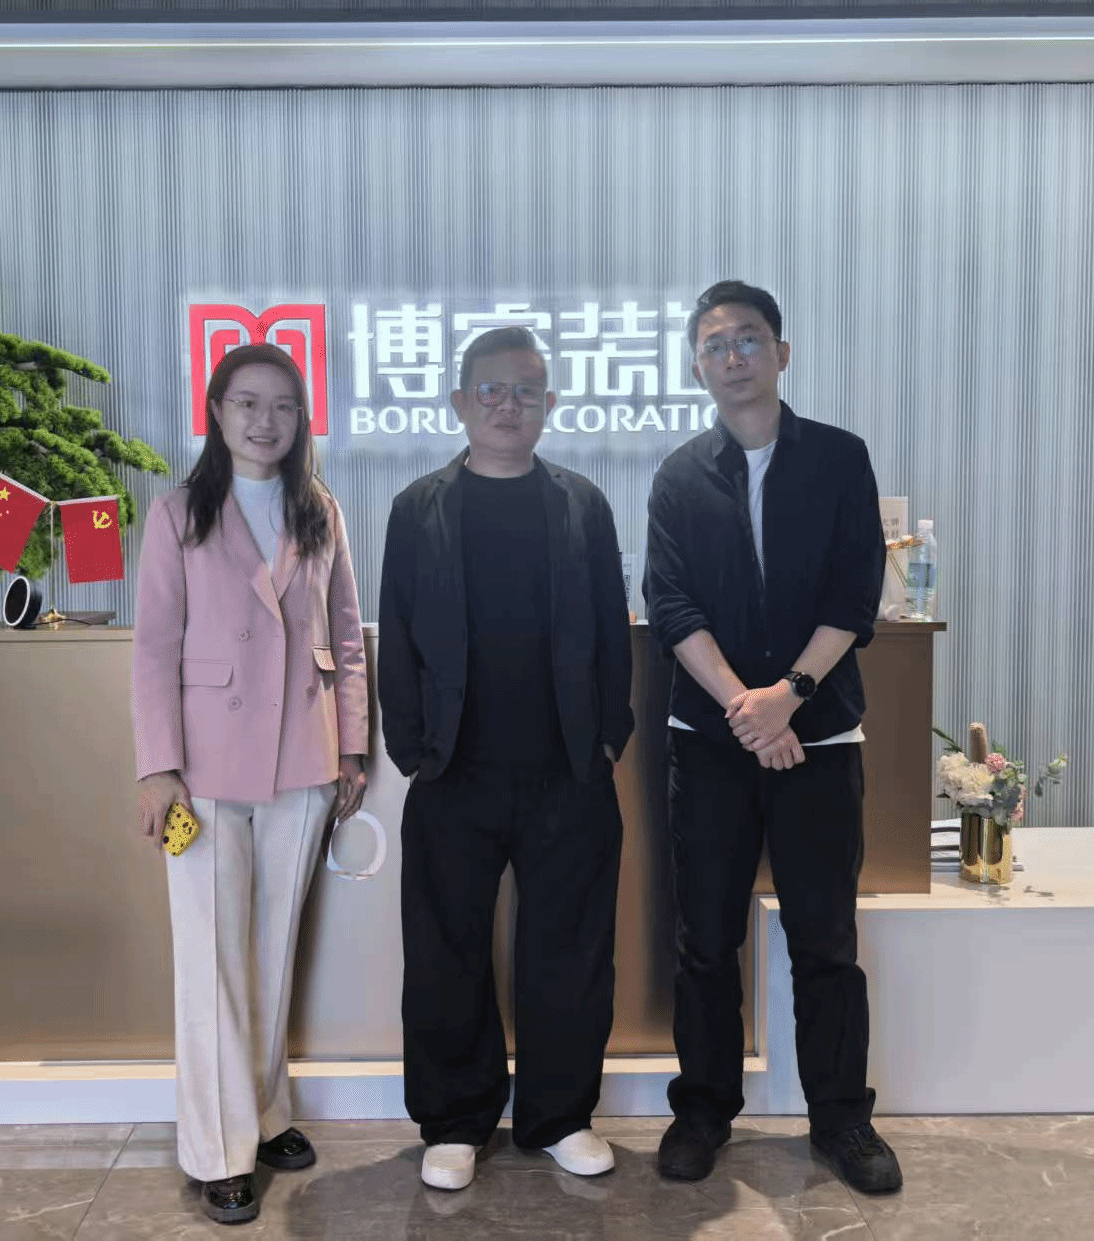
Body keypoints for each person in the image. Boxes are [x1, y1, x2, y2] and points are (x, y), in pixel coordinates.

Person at [643, 281, 902, 1194]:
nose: (734, 356)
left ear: (782, 353)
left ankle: (842, 1118)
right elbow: (670, 603)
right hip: (712, 741)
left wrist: (787, 697)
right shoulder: (679, 476)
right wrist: (747, 710)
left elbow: (854, 593)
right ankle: (703, 1111)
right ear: (697, 367)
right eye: (715, 345)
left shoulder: (838, 458)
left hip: (817, 737)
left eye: (749, 339)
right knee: (705, 939)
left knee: (824, 939)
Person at [378, 325, 635, 1191]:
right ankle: (455, 1121)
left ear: (549, 403)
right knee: (444, 950)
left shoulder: (582, 504)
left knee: (571, 950)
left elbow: (611, 633)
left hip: (568, 769)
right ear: (460, 402)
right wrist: (411, 749)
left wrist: (610, 736)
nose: (508, 405)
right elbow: (397, 635)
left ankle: (560, 1115)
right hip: (454, 770)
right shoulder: (417, 508)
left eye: (526, 390)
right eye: (491, 390)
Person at [131, 342, 370, 1225]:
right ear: (217, 411)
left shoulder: (320, 510)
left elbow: (347, 635)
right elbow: (153, 647)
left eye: (282, 406)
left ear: (300, 418)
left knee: (272, 951)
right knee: (211, 960)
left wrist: (352, 747)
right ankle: (218, 1150)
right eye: (247, 403)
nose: (265, 421)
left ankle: (264, 1114)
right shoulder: (178, 513)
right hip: (204, 767)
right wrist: (157, 765)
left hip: (304, 756)